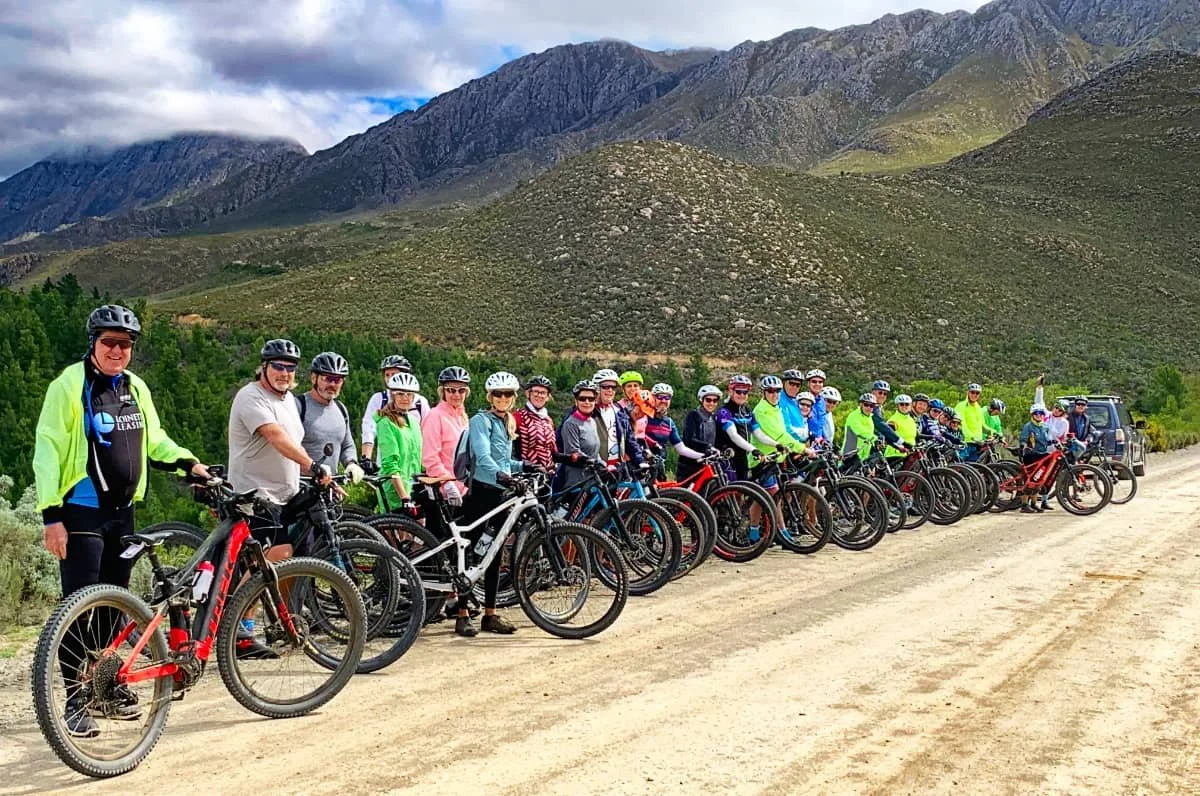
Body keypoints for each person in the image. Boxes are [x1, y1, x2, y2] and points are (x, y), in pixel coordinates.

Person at [35, 305, 210, 737]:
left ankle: (105, 686)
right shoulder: (69, 385)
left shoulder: (134, 386)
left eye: (126, 344)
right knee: (78, 610)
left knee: (114, 603)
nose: (118, 350)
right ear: (92, 343)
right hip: (81, 513)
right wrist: (50, 516)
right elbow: (47, 450)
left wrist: (188, 462)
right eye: (109, 342)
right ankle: (76, 702)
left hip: (123, 513)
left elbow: (155, 439)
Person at [227, 339, 332, 658]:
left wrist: (319, 477)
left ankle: (279, 622)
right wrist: (312, 466)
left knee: (294, 557)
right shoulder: (251, 397)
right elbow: (276, 438)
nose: (284, 373)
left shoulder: (287, 400)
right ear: (264, 367)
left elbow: (294, 443)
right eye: (278, 366)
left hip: (284, 493)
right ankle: (239, 632)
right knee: (268, 559)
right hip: (254, 495)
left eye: (290, 368)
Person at [454, 372, 526, 637]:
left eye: (508, 394)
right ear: (489, 396)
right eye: (498, 394)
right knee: (471, 551)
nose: (503, 398)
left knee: (494, 552)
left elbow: (505, 460)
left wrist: (524, 466)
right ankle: (462, 615)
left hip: (501, 494)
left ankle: (490, 614)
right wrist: (503, 476)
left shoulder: (507, 421)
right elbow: (483, 457)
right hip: (481, 493)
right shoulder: (479, 421)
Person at [298, 351, 364, 483]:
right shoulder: (299, 406)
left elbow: (347, 444)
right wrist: (312, 467)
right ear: (314, 378)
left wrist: (351, 463)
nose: (332, 384)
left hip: (330, 486)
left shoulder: (341, 409)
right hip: (300, 487)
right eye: (327, 378)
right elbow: (288, 446)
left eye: (337, 380)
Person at [421, 366, 472, 517]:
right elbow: (430, 458)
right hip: (445, 493)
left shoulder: (462, 416)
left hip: (464, 489)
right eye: (451, 390)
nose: (456, 394)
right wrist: (447, 483)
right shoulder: (435, 416)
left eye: (461, 390)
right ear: (442, 391)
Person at [361, 355, 430, 462]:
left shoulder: (420, 403)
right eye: (387, 375)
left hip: (415, 465)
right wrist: (366, 458)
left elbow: (428, 434)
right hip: (387, 464)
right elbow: (369, 428)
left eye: (394, 374)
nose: (389, 379)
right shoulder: (379, 399)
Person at [375, 372, 424, 512]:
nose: (405, 398)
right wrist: (404, 497)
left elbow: (418, 456)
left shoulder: (413, 422)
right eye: (400, 394)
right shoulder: (385, 423)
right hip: (395, 489)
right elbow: (390, 463)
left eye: (409, 395)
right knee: (395, 532)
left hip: (413, 487)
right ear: (392, 395)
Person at [591, 368, 644, 474]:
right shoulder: (589, 411)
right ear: (597, 388)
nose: (610, 390)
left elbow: (629, 439)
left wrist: (640, 461)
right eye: (605, 387)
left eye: (613, 387)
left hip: (617, 467)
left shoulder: (619, 411)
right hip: (594, 469)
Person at [642, 383, 706, 467]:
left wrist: (703, 456)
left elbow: (681, 449)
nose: (663, 400)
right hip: (642, 465)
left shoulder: (669, 423)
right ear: (653, 398)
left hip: (659, 466)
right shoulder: (643, 417)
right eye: (660, 397)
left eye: (667, 397)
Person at [556, 380, 602, 490]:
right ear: (576, 401)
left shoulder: (591, 421)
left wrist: (604, 464)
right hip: (576, 481)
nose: (587, 402)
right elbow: (573, 452)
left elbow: (595, 452)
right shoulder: (570, 423)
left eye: (591, 399)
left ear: (595, 401)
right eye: (582, 398)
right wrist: (595, 463)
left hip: (591, 478)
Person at [752, 376, 808, 458]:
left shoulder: (776, 407)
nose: (775, 395)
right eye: (771, 391)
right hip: (762, 460)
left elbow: (785, 431)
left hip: (778, 458)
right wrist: (803, 449)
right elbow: (780, 436)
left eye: (778, 391)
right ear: (763, 392)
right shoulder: (761, 411)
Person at [678, 385, 722, 481]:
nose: (712, 403)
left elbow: (717, 439)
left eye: (715, 401)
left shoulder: (714, 418)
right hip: (689, 466)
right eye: (708, 400)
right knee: (688, 495)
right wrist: (708, 447)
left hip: (706, 463)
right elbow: (689, 439)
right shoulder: (693, 415)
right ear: (701, 400)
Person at [514, 375, 557, 473]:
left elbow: (553, 452)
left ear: (547, 397)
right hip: (525, 475)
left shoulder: (548, 420)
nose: (539, 395)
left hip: (547, 476)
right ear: (528, 393)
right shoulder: (517, 417)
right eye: (536, 392)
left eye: (543, 393)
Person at [1019, 404, 1056, 513]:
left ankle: (1034, 503)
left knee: (1038, 479)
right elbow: (1023, 439)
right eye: (1036, 413)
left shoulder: (1045, 426)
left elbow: (1048, 440)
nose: (1039, 415)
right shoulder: (1028, 426)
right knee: (1030, 480)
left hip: (1042, 455)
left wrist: (1055, 442)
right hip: (1031, 455)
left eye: (1041, 413)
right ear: (1032, 414)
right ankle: (1024, 504)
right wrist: (1024, 446)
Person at [842, 393, 880, 466]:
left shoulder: (869, 418)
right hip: (851, 452)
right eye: (866, 405)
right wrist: (874, 438)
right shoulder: (854, 416)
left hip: (863, 454)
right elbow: (859, 431)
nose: (868, 408)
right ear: (861, 404)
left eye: (871, 406)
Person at [954, 382, 987, 460]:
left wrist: (995, 433)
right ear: (968, 392)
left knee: (973, 468)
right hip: (965, 443)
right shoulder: (961, 406)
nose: (974, 395)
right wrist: (973, 437)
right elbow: (962, 425)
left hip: (976, 444)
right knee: (958, 467)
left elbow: (983, 426)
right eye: (972, 392)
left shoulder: (978, 408)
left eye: (977, 393)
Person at [885, 394, 918, 465]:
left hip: (909, 454)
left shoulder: (911, 420)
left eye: (907, 404)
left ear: (910, 406)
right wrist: (898, 447)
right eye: (901, 404)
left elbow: (915, 436)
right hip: (895, 455)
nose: (904, 406)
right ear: (897, 406)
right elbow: (888, 438)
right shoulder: (893, 420)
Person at [779, 369, 808, 444]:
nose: (794, 387)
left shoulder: (795, 401)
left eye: (798, 385)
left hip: (798, 446)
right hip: (786, 446)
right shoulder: (779, 401)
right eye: (791, 384)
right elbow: (786, 429)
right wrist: (805, 436)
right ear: (783, 383)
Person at [805, 369, 830, 442]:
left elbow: (821, 424)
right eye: (814, 381)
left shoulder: (822, 401)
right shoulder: (803, 400)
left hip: (819, 443)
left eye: (820, 382)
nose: (817, 384)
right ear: (808, 383)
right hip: (806, 442)